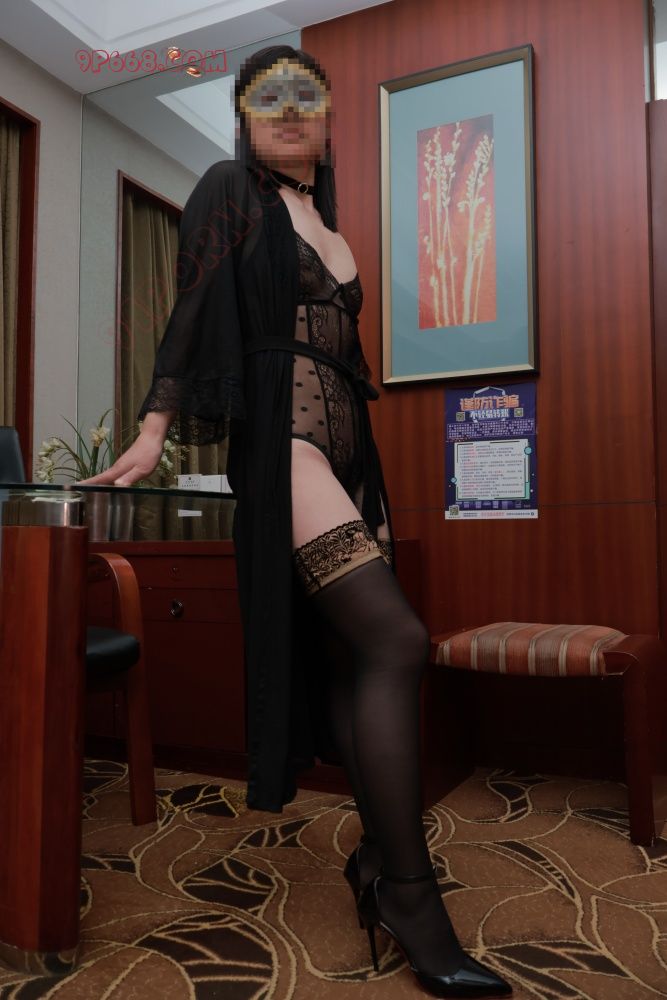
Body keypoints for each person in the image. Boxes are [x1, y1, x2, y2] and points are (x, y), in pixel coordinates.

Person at [81, 45, 512, 998]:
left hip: (356, 451)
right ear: (244, 120)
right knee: (396, 639)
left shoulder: (330, 219)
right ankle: (408, 893)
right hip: (285, 441)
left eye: (301, 98)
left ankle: (377, 861)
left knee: (358, 658)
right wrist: (153, 429)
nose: (285, 111)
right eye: (263, 99)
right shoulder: (229, 189)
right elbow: (193, 304)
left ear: (324, 120)